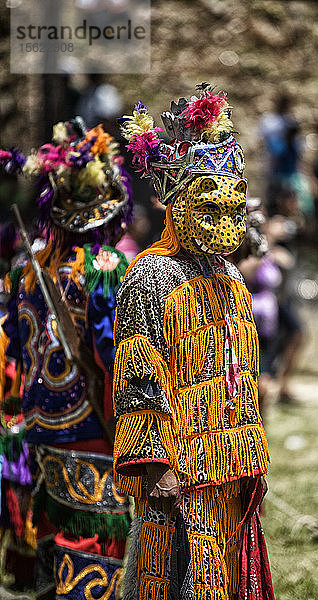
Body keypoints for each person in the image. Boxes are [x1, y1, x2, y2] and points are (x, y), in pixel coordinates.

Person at [113, 87, 275, 600]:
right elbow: (136, 381)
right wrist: (155, 467)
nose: (223, 223)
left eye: (231, 210)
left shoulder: (229, 273)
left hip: (231, 461)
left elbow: (239, 369)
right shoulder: (150, 276)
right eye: (209, 208)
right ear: (177, 205)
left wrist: (250, 449)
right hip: (179, 468)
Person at [0, 118, 133, 599]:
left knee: (59, 539)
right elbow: (111, 354)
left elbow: (13, 352)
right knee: (96, 543)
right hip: (93, 429)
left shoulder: (24, 273)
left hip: (42, 426)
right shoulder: (108, 269)